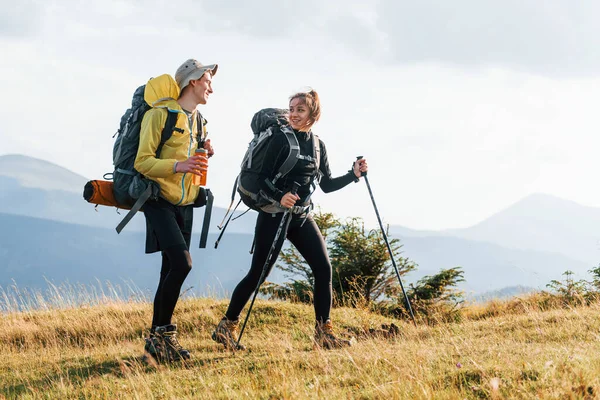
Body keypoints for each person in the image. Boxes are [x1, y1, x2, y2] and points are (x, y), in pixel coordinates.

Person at [213, 89, 368, 350]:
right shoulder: (280, 140)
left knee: (323, 269)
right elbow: (260, 177)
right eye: (292, 109)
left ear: (313, 114)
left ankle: (324, 334)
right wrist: (280, 195)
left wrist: (353, 175)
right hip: (274, 214)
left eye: (300, 110)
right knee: (258, 274)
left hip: (301, 217)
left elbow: (327, 185)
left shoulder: (318, 145)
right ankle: (226, 327)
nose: (293, 114)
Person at [134, 58, 217, 362]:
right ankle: (162, 336)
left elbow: (192, 162)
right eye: (208, 80)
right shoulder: (159, 115)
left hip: (186, 203)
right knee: (183, 265)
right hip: (157, 199)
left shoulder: (199, 121)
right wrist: (180, 165)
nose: (211, 86)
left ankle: (158, 341)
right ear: (193, 81)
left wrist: (204, 153)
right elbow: (142, 162)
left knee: (169, 269)